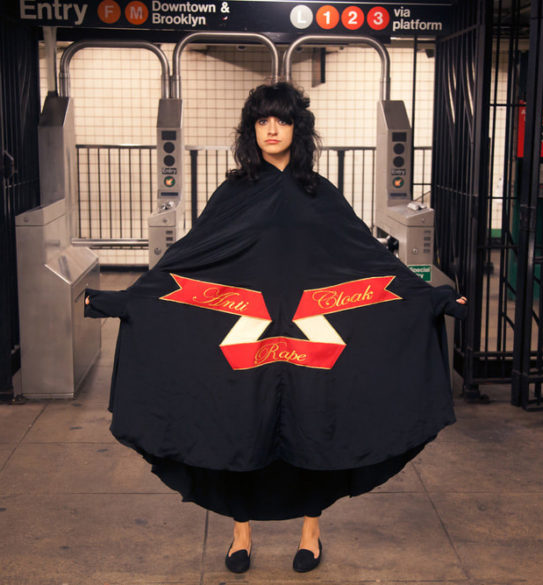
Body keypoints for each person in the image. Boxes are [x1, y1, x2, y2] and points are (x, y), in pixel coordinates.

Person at [85, 82, 467, 575]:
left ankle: (311, 533)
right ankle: (240, 534)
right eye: (262, 120)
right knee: (243, 431)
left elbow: (368, 258)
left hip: (310, 344)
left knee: (311, 434)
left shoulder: (320, 194)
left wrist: (431, 297)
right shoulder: (233, 193)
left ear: (297, 128)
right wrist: (128, 300)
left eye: (281, 120)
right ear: (251, 129)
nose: (271, 129)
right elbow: (188, 259)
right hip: (250, 343)